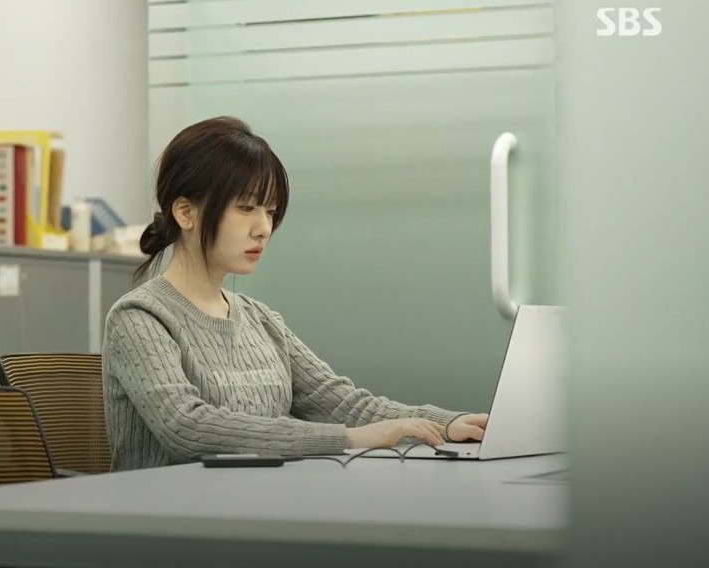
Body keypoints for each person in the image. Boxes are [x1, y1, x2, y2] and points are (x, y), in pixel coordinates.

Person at [101, 116, 488, 471]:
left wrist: (445, 424)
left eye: (270, 211)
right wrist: (349, 439)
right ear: (185, 212)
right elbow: (187, 427)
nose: (263, 228)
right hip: (169, 516)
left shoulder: (260, 319)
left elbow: (338, 402)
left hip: (257, 509)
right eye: (246, 207)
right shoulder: (139, 317)